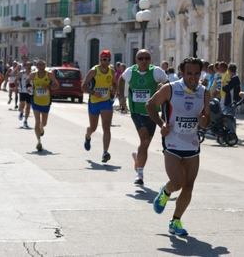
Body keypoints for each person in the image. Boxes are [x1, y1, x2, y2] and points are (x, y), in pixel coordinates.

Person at [145, 57, 210, 236]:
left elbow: (206, 118)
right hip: (172, 140)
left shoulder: (204, 93)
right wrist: (161, 124)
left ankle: (175, 221)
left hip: (192, 143)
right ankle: (165, 192)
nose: (193, 77)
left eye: (196, 74)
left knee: (188, 186)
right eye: (189, 73)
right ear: (181, 72)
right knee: (177, 182)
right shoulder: (170, 89)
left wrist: (205, 121)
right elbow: (150, 105)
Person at [119, 49, 169, 184]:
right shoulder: (130, 72)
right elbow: (121, 79)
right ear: (136, 60)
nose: (144, 61)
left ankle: (137, 156)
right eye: (141, 58)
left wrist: (162, 87)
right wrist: (121, 97)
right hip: (136, 111)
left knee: (145, 144)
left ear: (150, 60)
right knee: (145, 140)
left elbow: (168, 85)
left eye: (147, 58)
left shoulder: (157, 71)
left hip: (152, 112)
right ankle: (139, 174)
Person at [81, 50, 116, 163]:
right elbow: (83, 86)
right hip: (94, 102)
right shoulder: (93, 71)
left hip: (106, 102)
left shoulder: (111, 71)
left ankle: (105, 152)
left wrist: (114, 89)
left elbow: (114, 83)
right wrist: (93, 92)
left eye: (109, 59)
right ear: (100, 60)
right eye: (104, 59)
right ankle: (88, 135)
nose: (107, 62)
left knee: (106, 126)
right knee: (94, 127)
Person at [25, 59, 59, 151]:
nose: (40, 66)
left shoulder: (49, 74)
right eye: (39, 65)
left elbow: (57, 85)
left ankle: (41, 127)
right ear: (36, 66)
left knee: (44, 123)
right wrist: (28, 88)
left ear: (45, 66)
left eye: (42, 65)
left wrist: (48, 87)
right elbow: (27, 81)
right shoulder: (33, 74)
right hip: (36, 100)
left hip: (46, 101)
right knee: (36, 121)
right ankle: (39, 142)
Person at [222, 63, 241, 132]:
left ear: (229, 70)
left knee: (229, 117)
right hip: (231, 100)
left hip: (231, 100)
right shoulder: (234, 78)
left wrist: (224, 86)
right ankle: (232, 131)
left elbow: (226, 88)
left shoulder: (234, 79)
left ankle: (231, 132)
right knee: (231, 116)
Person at [16, 61, 33, 128]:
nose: (28, 66)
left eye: (30, 65)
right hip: (22, 91)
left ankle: (25, 120)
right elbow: (16, 80)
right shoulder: (21, 73)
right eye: (27, 65)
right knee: (22, 104)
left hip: (30, 92)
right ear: (25, 66)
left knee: (28, 107)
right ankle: (21, 112)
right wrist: (17, 87)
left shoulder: (33, 73)